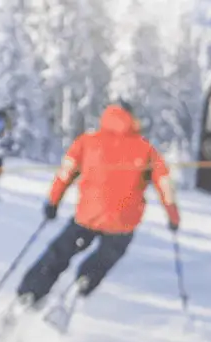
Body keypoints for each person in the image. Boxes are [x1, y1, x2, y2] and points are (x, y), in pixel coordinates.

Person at [15, 103, 178, 314]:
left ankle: (32, 291)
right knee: (106, 255)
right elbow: (165, 185)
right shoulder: (145, 149)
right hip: (122, 221)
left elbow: (65, 173)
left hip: (88, 216)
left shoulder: (87, 142)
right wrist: (173, 216)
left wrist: (53, 202)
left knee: (61, 250)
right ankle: (84, 281)